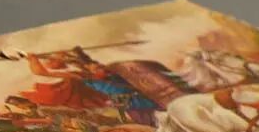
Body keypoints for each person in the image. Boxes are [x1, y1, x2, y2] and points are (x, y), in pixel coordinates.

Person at [21, 47, 160, 126]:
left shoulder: (95, 70)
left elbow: (85, 60)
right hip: (121, 99)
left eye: (53, 60)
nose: (100, 67)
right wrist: (33, 59)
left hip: (132, 94)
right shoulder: (79, 75)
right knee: (151, 113)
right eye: (51, 60)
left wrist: (76, 53)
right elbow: (40, 71)